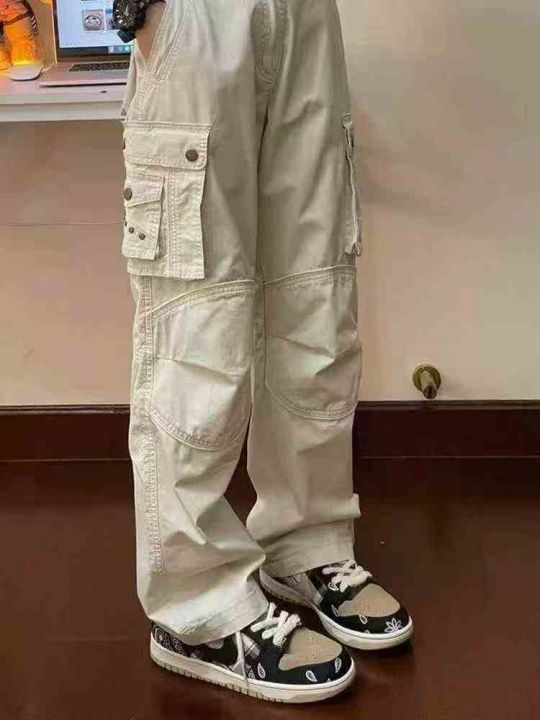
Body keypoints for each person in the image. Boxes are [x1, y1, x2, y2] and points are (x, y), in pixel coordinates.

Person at [113, 0, 412, 704]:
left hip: (307, 15)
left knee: (315, 299)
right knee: (198, 318)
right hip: (195, 16)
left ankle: (305, 543)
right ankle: (195, 605)